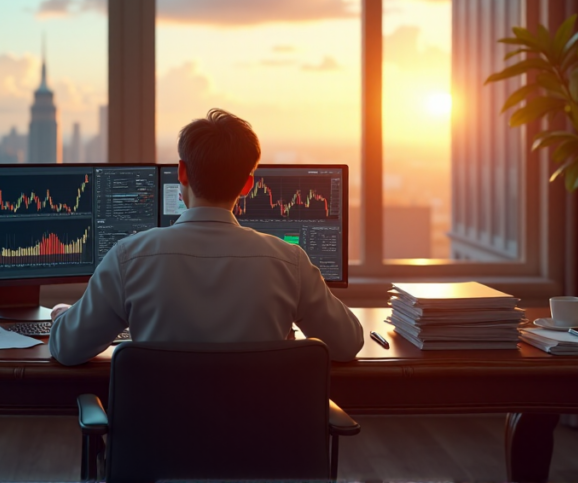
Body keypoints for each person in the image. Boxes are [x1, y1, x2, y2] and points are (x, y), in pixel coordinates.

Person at [49, 109, 363, 365]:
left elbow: (67, 349)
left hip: (158, 443)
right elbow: (347, 344)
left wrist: (63, 315)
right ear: (247, 185)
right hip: (259, 442)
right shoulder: (290, 263)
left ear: (181, 174)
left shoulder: (128, 258)